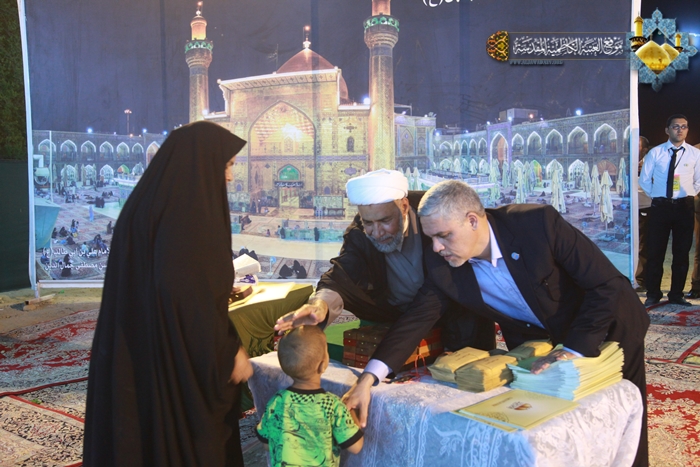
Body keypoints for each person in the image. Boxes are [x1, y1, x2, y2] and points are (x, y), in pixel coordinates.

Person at [362, 180, 650, 466]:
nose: (436, 247)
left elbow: (606, 286)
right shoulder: (441, 261)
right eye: (431, 238)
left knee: (619, 413)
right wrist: (369, 378)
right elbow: (417, 317)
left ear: (472, 221)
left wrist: (573, 349)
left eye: (444, 235)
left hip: (607, 326)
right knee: (554, 424)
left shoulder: (536, 225)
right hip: (539, 344)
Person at [83, 121, 252, 466]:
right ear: (200, 163)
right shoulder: (190, 216)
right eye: (226, 165)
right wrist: (227, 350)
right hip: (174, 363)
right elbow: (187, 299)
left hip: (139, 355)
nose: (230, 176)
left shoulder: (147, 204)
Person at [256, 326, 363, 466]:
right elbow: (356, 447)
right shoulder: (332, 405)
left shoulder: (276, 401)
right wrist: (352, 413)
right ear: (323, 365)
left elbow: (266, 444)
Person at [639, 114, 700, 305]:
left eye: (684, 126)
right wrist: (658, 195)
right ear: (667, 130)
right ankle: (653, 293)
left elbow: (698, 180)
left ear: (687, 130)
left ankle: (676, 294)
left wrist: (688, 194)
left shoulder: (694, 154)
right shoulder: (656, 153)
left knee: (681, 253)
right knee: (655, 252)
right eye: (675, 126)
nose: (680, 130)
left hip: (684, 207)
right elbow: (644, 179)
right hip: (660, 208)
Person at [634, 136, 652, 292]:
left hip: (645, 207)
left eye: (637, 145)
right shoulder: (628, 161)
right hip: (629, 209)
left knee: (642, 245)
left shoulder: (650, 163)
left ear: (645, 149)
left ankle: (641, 279)